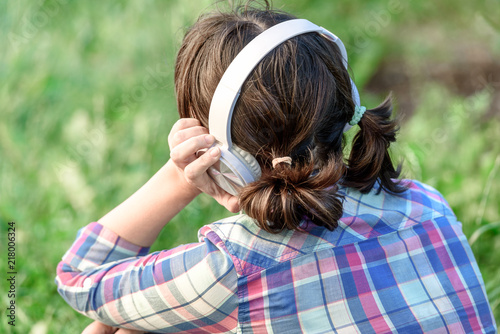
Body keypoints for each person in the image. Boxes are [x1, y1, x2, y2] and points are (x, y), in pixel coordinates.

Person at [56, 1, 497, 333]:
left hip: (226, 280)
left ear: (225, 156)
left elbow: (78, 278)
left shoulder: (231, 270)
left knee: (121, 326)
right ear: (346, 106)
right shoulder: (427, 207)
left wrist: (179, 177)